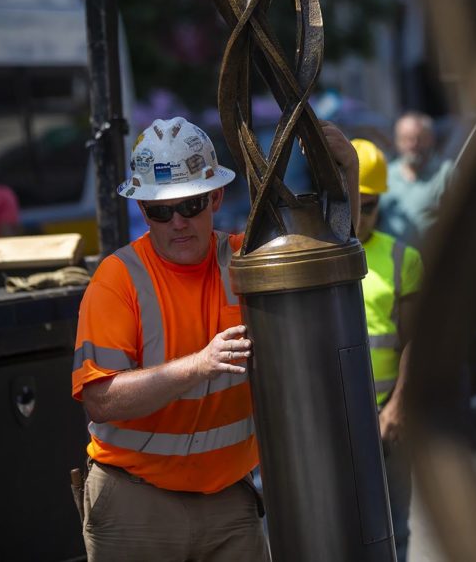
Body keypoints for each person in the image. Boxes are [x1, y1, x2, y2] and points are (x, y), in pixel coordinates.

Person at [71, 115, 359, 560]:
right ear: (143, 210)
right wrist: (199, 365)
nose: (178, 222)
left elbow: (325, 266)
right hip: (136, 502)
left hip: (228, 502)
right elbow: (101, 399)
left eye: (191, 205)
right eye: (161, 211)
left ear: (216, 198)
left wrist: (348, 173)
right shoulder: (117, 280)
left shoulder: (245, 261)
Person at [353, 138, 423, 562]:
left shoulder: (402, 258)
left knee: (396, 529)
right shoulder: (318, 257)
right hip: (339, 423)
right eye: (352, 203)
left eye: (370, 205)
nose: (360, 216)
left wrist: (397, 407)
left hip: (388, 419)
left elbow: (415, 339)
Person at [378, 111, 453, 248]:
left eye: (419, 138)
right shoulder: (386, 175)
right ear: (397, 141)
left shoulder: (445, 174)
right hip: (391, 264)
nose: (413, 144)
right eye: (406, 138)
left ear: (431, 139)